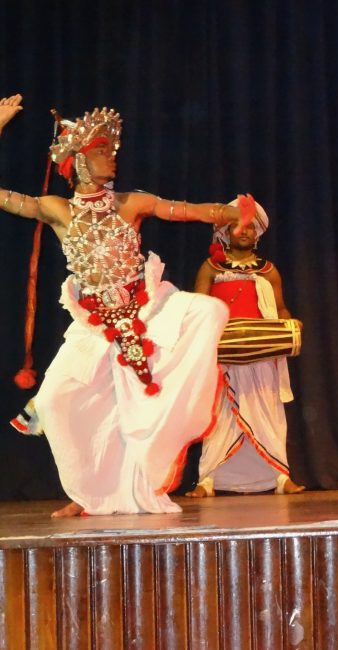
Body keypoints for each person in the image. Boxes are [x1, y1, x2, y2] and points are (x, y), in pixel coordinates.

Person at [0, 96, 251, 516]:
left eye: (111, 150)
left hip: (145, 311)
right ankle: (87, 494)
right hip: (91, 323)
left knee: (210, 312)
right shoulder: (57, 210)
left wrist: (231, 212)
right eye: (100, 151)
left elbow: (190, 211)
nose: (111, 157)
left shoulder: (130, 203)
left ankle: (142, 477)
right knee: (55, 402)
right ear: (78, 162)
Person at [185, 206, 304, 497]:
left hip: (261, 351)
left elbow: (279, 309)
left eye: (250, 227)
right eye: (238, 226)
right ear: (225, 231)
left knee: (268, 411)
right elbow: (199, 308)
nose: (245, 231)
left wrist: (290, 323)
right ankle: (208, 480)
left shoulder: (268, 270)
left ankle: (280, 477)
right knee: (220, 413)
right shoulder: (211, 267)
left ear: (257, 234)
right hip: (223, 351)